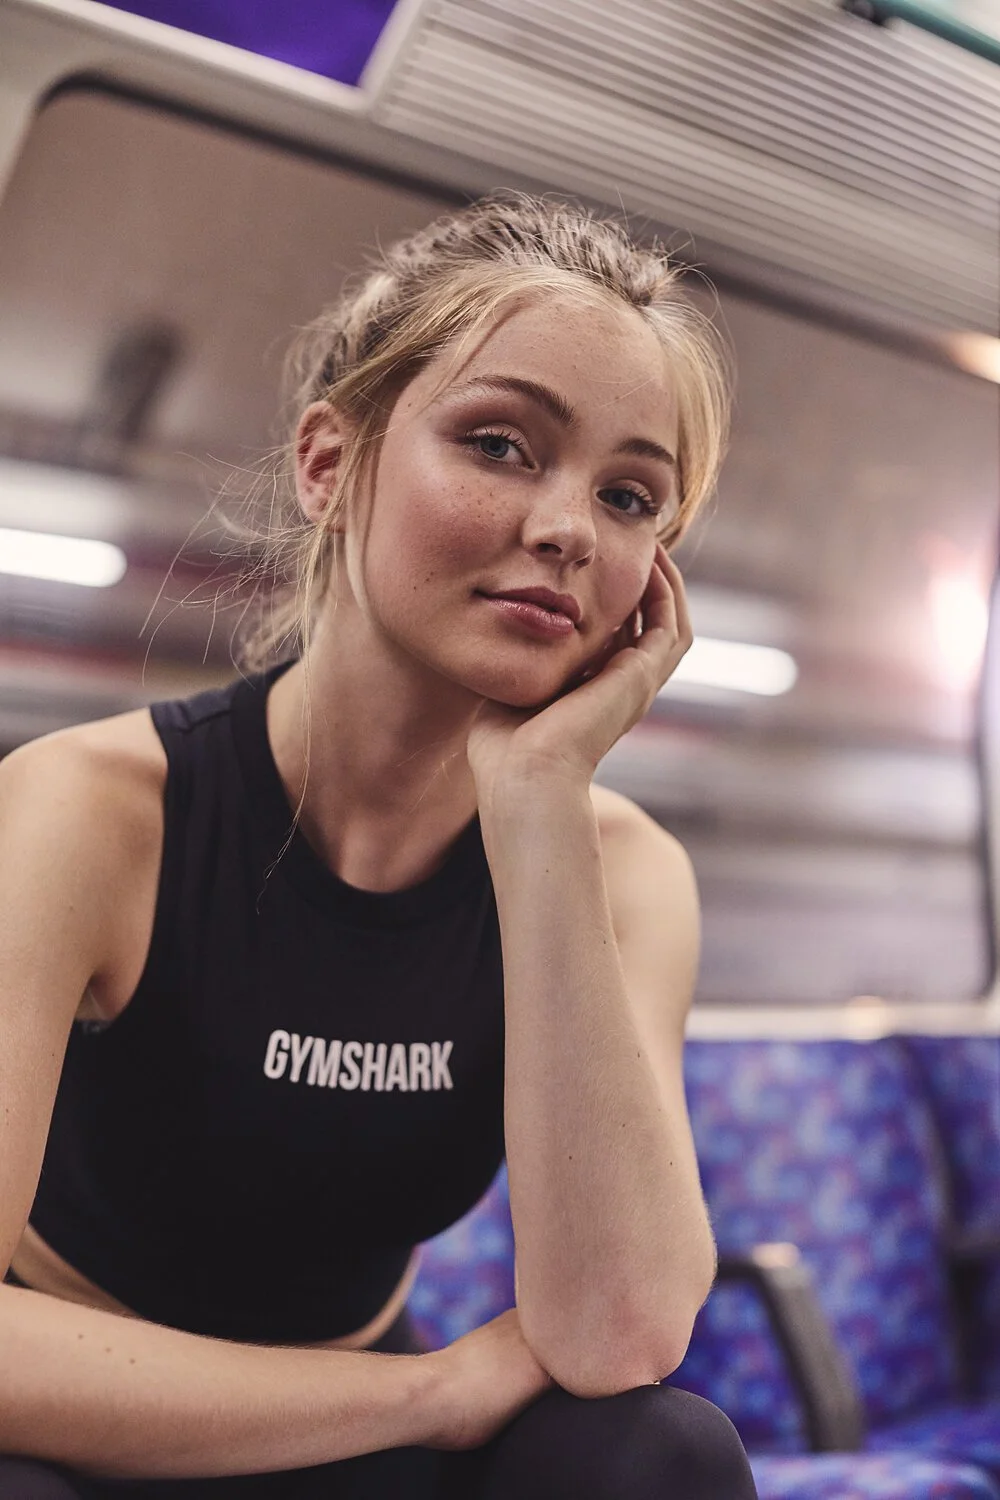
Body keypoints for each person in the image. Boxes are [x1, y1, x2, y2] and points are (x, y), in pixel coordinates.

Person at [0, 194, 756, 1498]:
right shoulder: (94, 809)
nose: (571, 527)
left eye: (630, 494)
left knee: (661, 1454)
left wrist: (540, 802)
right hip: (80, 1415)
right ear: (328, 465)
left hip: (350, 1442)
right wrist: (426, 1394)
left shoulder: (624, 869)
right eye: (502, 444)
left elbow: (623, 1331)